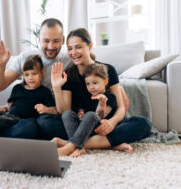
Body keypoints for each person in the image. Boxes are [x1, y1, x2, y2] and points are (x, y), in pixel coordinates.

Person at [50, 28, 151, 156]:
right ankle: (106, 144)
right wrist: (56, 87)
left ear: (90, 46)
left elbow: (121, 108)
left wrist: (111, 122)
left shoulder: (108, 70)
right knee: (48, 124)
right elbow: (64, 112)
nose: (73, 52)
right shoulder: (69, 74)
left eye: (78, 47)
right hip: (79, 127)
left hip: (103, 126)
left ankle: (70, 145)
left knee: (143, 124)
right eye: (70, 48)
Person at [0, 18, 71, 140]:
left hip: (49, 113)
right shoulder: (26, 59)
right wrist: (0, 66)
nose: (51, 46)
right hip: (25, 115)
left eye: (56, 41)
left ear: (63, 40)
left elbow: (90, 62)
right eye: (46, 41)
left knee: (47, 125)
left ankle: (0, 133)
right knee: (28, 127)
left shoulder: (69, 60)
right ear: (39, 39)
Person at [52, 63, 119, 157]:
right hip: (83, 129)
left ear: (105, 81)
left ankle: (70, 147)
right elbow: (81, 110)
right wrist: (81, 113)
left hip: (97, 129)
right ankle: (79, 147)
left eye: (95, 83)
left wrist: (101, 103)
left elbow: (100, 116)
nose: (91, 87)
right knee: (67, 114)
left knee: (91, 115)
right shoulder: (86, 96)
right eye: (88, 84)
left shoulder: (109, 97)